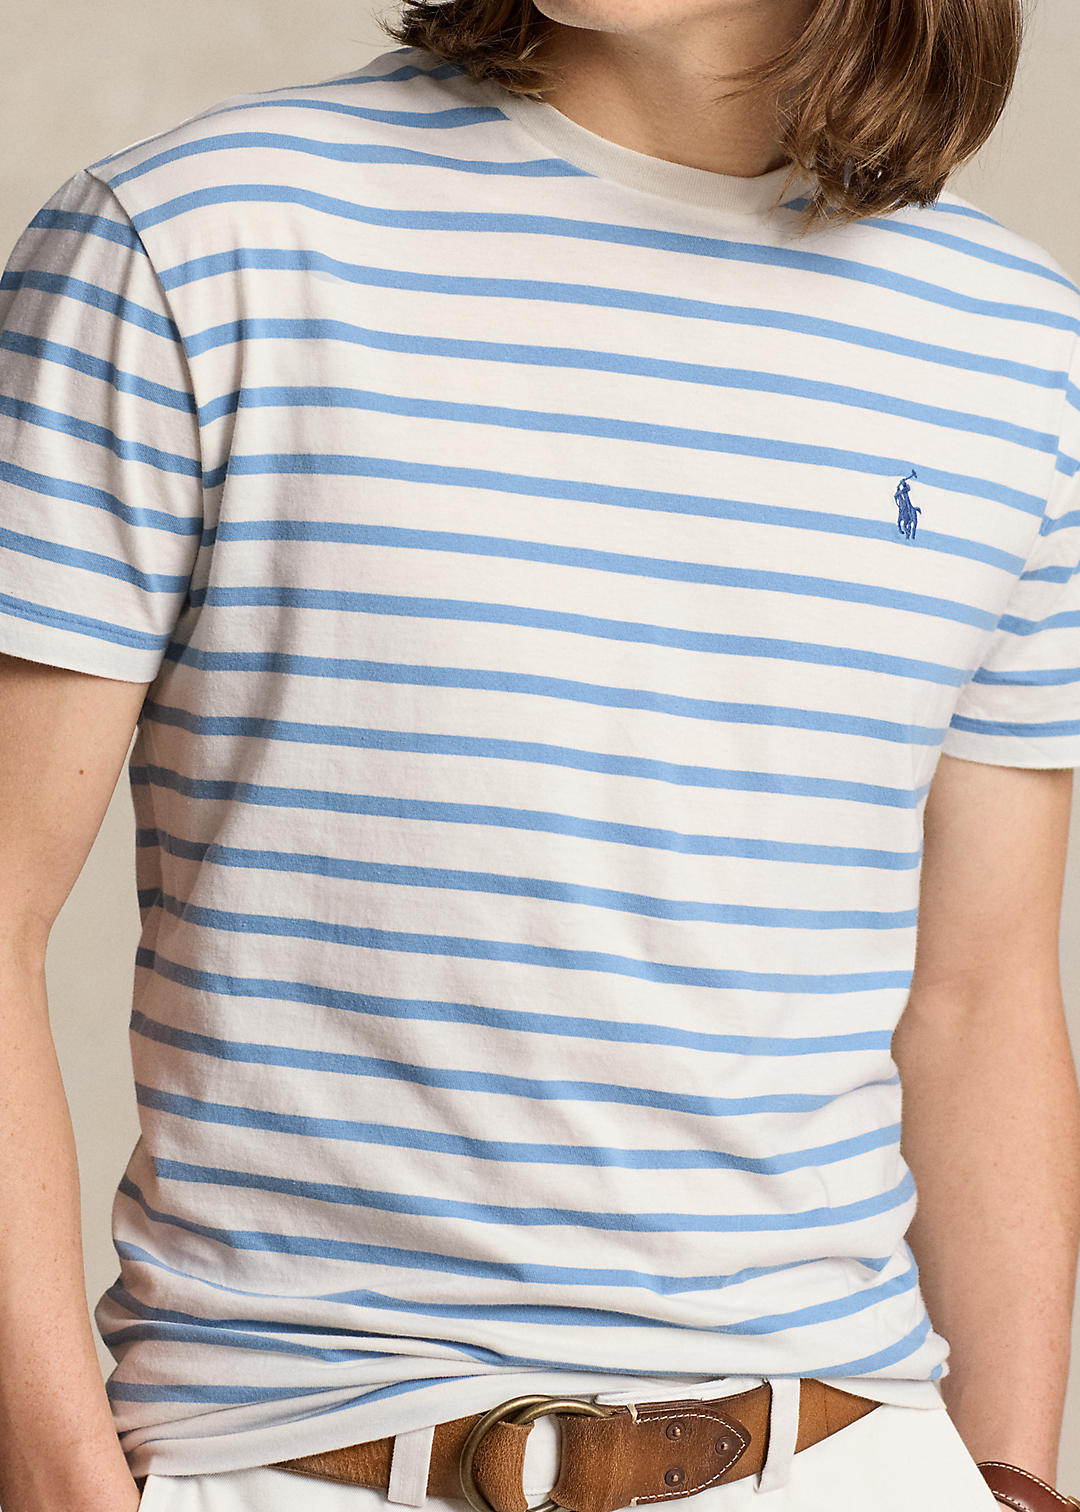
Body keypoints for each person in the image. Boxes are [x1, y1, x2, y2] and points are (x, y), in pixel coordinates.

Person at [1, 0, 1079, 1508]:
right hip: (301, 1457)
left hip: (851, 1455)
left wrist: (1010, 1480)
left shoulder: (1017, 349)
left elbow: (979, 994)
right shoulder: (193, 240)